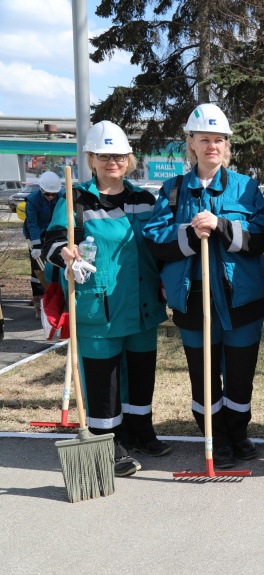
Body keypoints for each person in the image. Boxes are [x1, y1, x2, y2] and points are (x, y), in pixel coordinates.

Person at [144, 104, 264, 470]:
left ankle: (237, 433)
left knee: (240, 374)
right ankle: (214, 437)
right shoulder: (173, 190)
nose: (211, 146)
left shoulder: (246, 188)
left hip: (241, 299)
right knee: (203, 375)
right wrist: (189, 232)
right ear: (192, 144)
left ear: (226, 146)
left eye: (218, 140)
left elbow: (263, 235)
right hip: (193, 298)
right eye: (204, 139)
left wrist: (221, 226)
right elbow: (153, 237)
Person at [43, 121, 170, 476]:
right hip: (100, 307)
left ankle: (141, 431)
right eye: (104, 155)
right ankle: (107, 441)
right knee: (104, 380)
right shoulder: (77, 198)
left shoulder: (144, 198)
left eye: (118, 155)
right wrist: (63, 253)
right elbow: (52, 240)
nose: (112, 161)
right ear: (92, 158)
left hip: (143, 306)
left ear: (128, 158)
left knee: (142, 374)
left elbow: (158, 246)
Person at [24, 171, 63, 319]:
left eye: (53, 194)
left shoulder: (62, 196)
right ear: (41, 190)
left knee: (55, 268)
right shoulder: (32, 201)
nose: (51, 197)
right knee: (37, 270)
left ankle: (58, 301)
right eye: (48, 194)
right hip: (36, 235)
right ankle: (39, 302)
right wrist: (36, 246)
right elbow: (32, 225)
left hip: (54, 234)